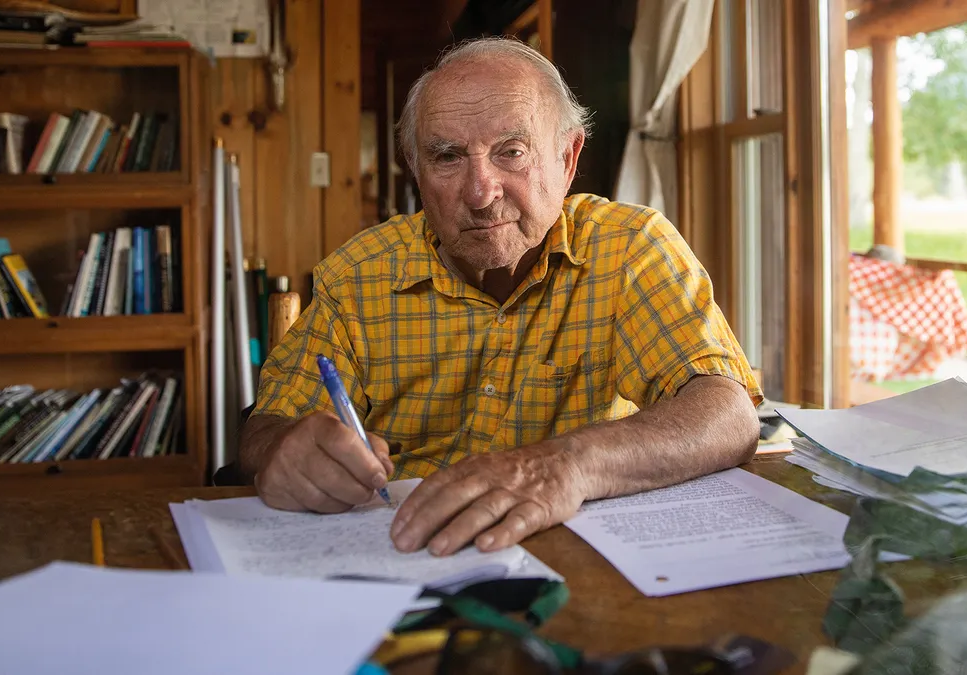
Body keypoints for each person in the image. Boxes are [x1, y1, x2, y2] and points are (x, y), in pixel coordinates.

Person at [238, 36, 762, 558]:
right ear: (416, 173)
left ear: (568, 158)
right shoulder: (358, 277)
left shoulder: (629, 250)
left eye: (511, 152)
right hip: (398, 557)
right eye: (447, 157)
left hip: (578, 558)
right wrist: (283, 452)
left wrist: (564, 465)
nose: (481, 192)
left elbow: (727, 415)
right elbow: (267, 428)